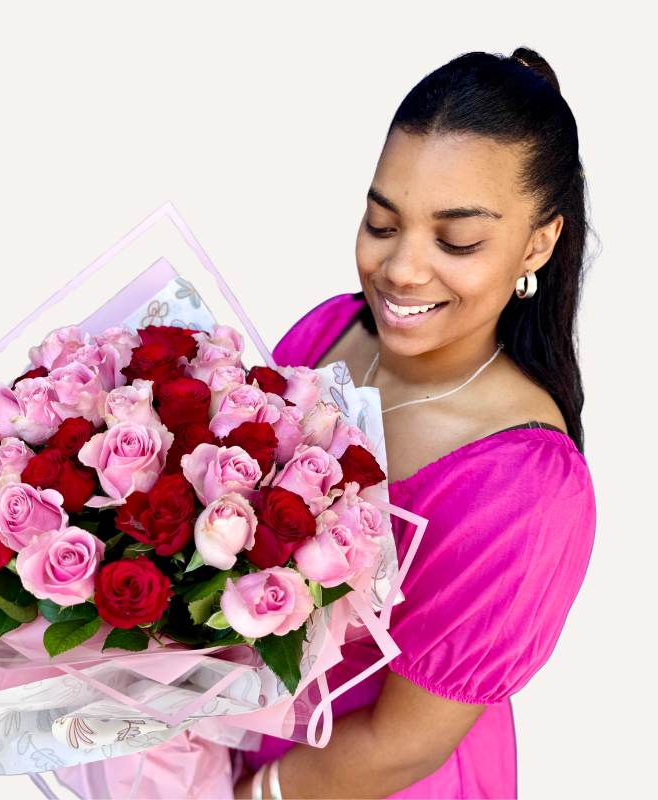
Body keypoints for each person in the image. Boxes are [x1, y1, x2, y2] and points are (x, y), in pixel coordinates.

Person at [232, 47, 597, 799]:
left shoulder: (526, 486)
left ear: (539, 243)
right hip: (244, 738)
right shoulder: (330, 334)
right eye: (382, 223)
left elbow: (404, 747)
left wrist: (246, 796)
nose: (401, 269)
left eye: (456, 241)